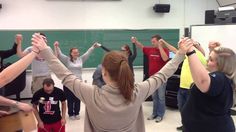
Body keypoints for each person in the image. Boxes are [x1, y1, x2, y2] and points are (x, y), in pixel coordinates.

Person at [31, 33, 190, 132]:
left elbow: (65, 75)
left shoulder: (92, 94)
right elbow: (163, 75)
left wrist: (45, 50)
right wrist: (181, 54)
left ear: (104, 73)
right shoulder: (138, 92)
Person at [181, 38, 236, 132]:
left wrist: (190, 51)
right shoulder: (223, 78)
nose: (207, 61)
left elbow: (202, 81)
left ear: (221, 64)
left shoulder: (221, 79)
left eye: (210, 59)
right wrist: (214, 49)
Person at [54, 41, 100, 120]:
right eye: (74, 52)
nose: (76, 53)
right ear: (71, 53)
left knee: (78, 98)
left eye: (77, 52)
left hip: (79, 82)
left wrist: (93, 46)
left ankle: (77, 112)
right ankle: (71, 114)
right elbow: (60, 54)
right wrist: (56, 46)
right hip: (69, 83)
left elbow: (88, 53)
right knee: (70, 99)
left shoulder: (81, 59)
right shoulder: (66, 59)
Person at [131, 35, 170, 122]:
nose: (152, 43)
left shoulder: (165, 50)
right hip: (152, 78)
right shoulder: (150, 50)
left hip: (161, 79)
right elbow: (142, 47)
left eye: (154, 42)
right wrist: (136, 41)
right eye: (151, 42)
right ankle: (154, 113)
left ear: (159, 41)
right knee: (154, 97)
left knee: (161, 97)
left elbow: (165, 58)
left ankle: (160, 115)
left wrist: (160, 47)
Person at [176, 42, 207, 131]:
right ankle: (185, 125)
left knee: (192, 110)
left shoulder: (196, 55)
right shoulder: (185, 56)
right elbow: (174, 51)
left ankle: (193, 127)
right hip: (182, 87)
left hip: (191, 89)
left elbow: (203, 56)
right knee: (182, 109)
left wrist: (197, 45)